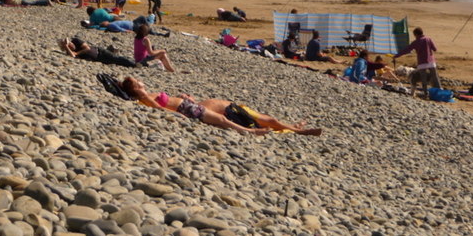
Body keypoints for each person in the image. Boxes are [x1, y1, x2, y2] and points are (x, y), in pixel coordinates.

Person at [121, 77, 322, 136]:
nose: (141, 81)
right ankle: (298, 130)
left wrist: (184, 98)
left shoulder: (149, 95)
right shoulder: (145, 96)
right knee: (264, 120)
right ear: (136, 88)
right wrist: (178, 115)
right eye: (137, 82)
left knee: (265, 119)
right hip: (190, 110)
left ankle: (296, 128)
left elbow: (163, 103)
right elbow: (158, 108)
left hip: (189, 106)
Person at [394, 27, 440, 97]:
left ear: (416, 34)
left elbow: (406, 50)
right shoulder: (428, 39)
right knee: (435, 77)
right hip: (431, 62)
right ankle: (439, 92)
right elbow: (435, 49)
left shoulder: (415, 42)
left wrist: (396, 56)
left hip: (422, 63)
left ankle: (425, 94)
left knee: (423, 80)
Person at [59, 38, 136, 68]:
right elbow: (72, 56)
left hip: (99, 51)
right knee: (116, 62)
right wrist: (66, 47)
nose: (71, 44)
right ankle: (132, 63)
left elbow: (87, 48)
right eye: (69, 44)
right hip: (97, 58)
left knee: (115, 58)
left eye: (69, 42)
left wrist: (77, 53)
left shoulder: (76, 41)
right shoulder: (69, 51)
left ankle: (134, 64)